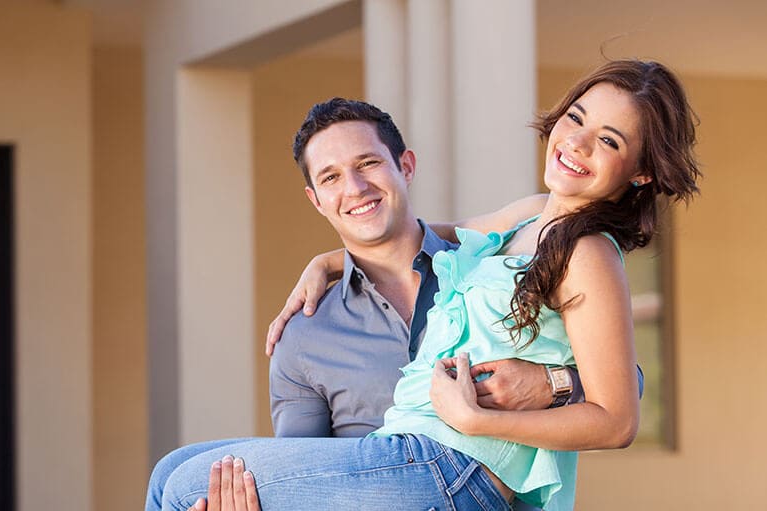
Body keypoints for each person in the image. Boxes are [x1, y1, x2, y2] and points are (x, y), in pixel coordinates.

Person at [153, 58, 698, 510]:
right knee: (168, 472)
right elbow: (425, 234)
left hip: (456, 467)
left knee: (183, 489)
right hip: (412, 453)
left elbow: (618, 417)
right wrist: (330, 260)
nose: (576, 143)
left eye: (608, 140)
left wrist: (474, 417)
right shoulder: (530, 216)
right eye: (576, 118)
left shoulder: (589, 252)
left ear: (642, 170)